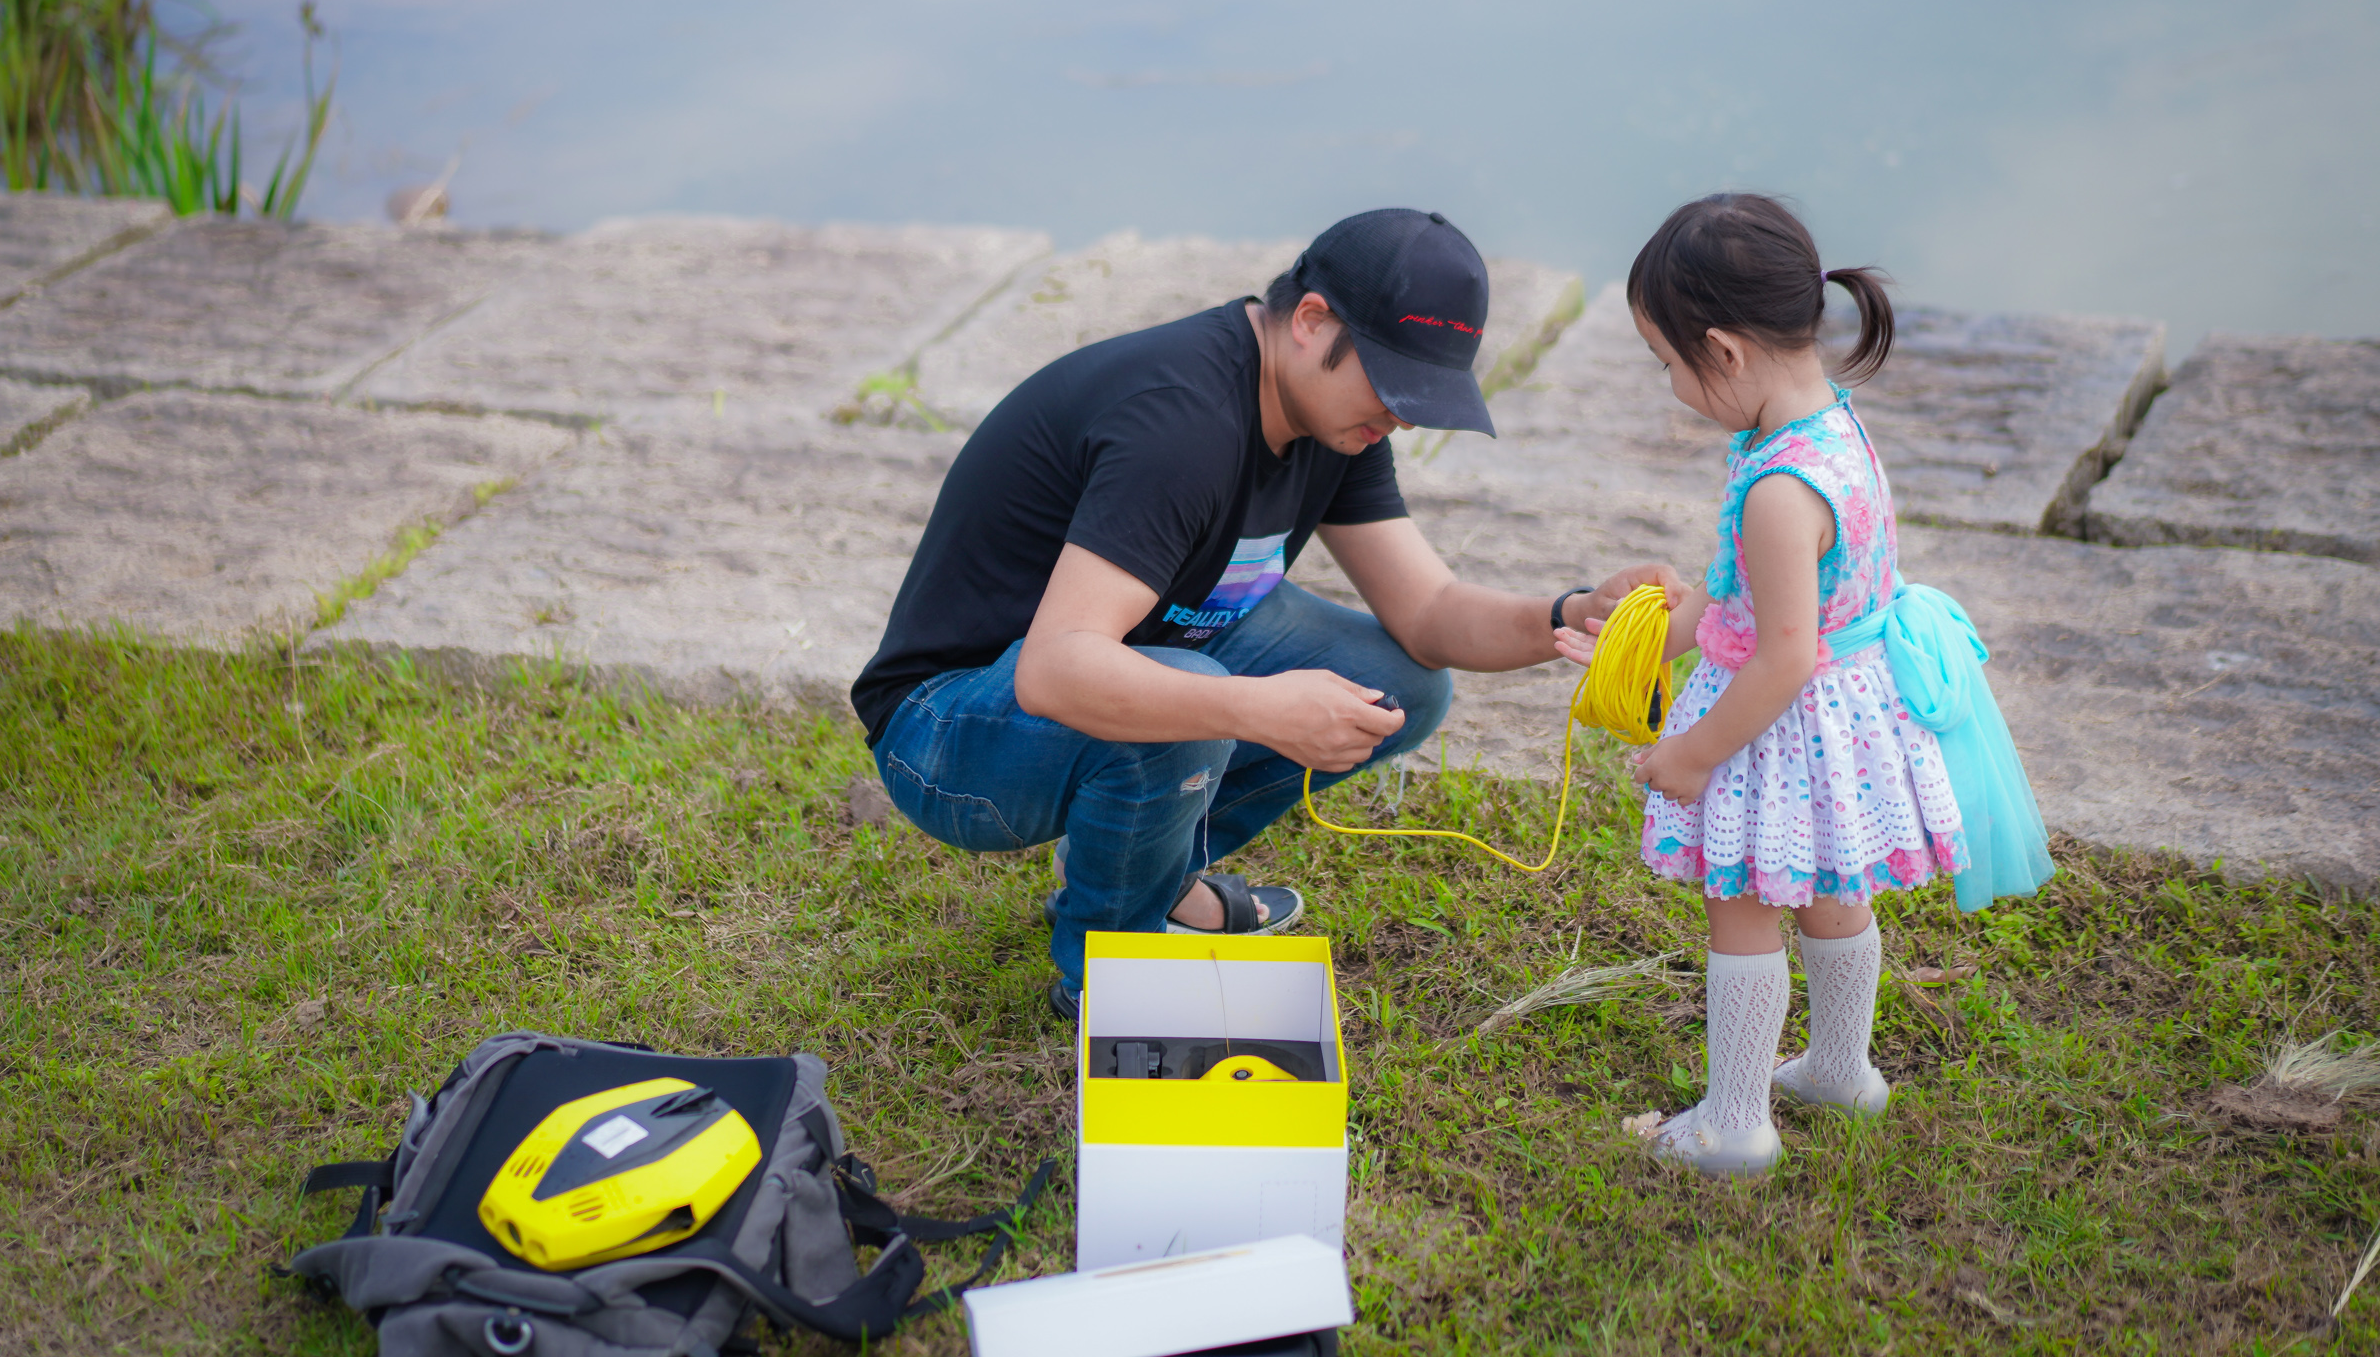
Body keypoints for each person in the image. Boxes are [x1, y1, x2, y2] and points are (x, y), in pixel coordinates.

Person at [853, 208, 1678, 1019]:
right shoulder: (1181, 424)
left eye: (1423, 394)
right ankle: (1113, 969)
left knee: (1401, 685)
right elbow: (1055, 669)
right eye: (1393, 384)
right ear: (1312, 322)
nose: (1402, 414)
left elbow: (1429, 610)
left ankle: (1146, 872)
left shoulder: (1335, 420)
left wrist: (1573, 611)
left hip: (1135, 651)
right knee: (1195, 708)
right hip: (949, 728)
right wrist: (1256, 707)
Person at [1556, 193, 2050, 1177]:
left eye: (1666, 362)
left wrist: (1693, 754)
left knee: (1742, 907)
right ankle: (1840, 1068)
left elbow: (1781, 657)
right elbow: (1745, 597)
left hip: (1775, 731)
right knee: (1834, 895)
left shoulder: (1779, 491)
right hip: (1846, 726)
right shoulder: (1832, 431)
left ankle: (1735, 1125)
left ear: (1724, 351)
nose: (1670, 384)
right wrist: (1651, 638)